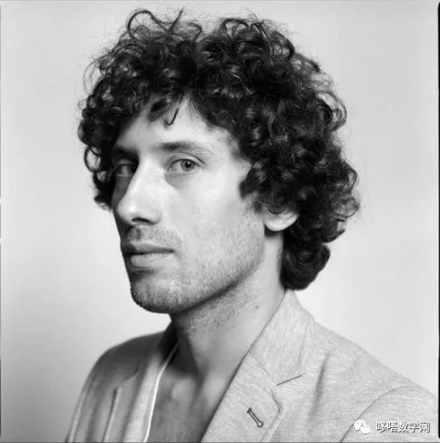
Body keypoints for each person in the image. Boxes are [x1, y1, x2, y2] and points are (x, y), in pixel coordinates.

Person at [66, 8, 438, 443]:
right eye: (126, 167)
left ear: (280, 198)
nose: (130, 205)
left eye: (183, 163)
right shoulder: (110, 376)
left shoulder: (383, 418)